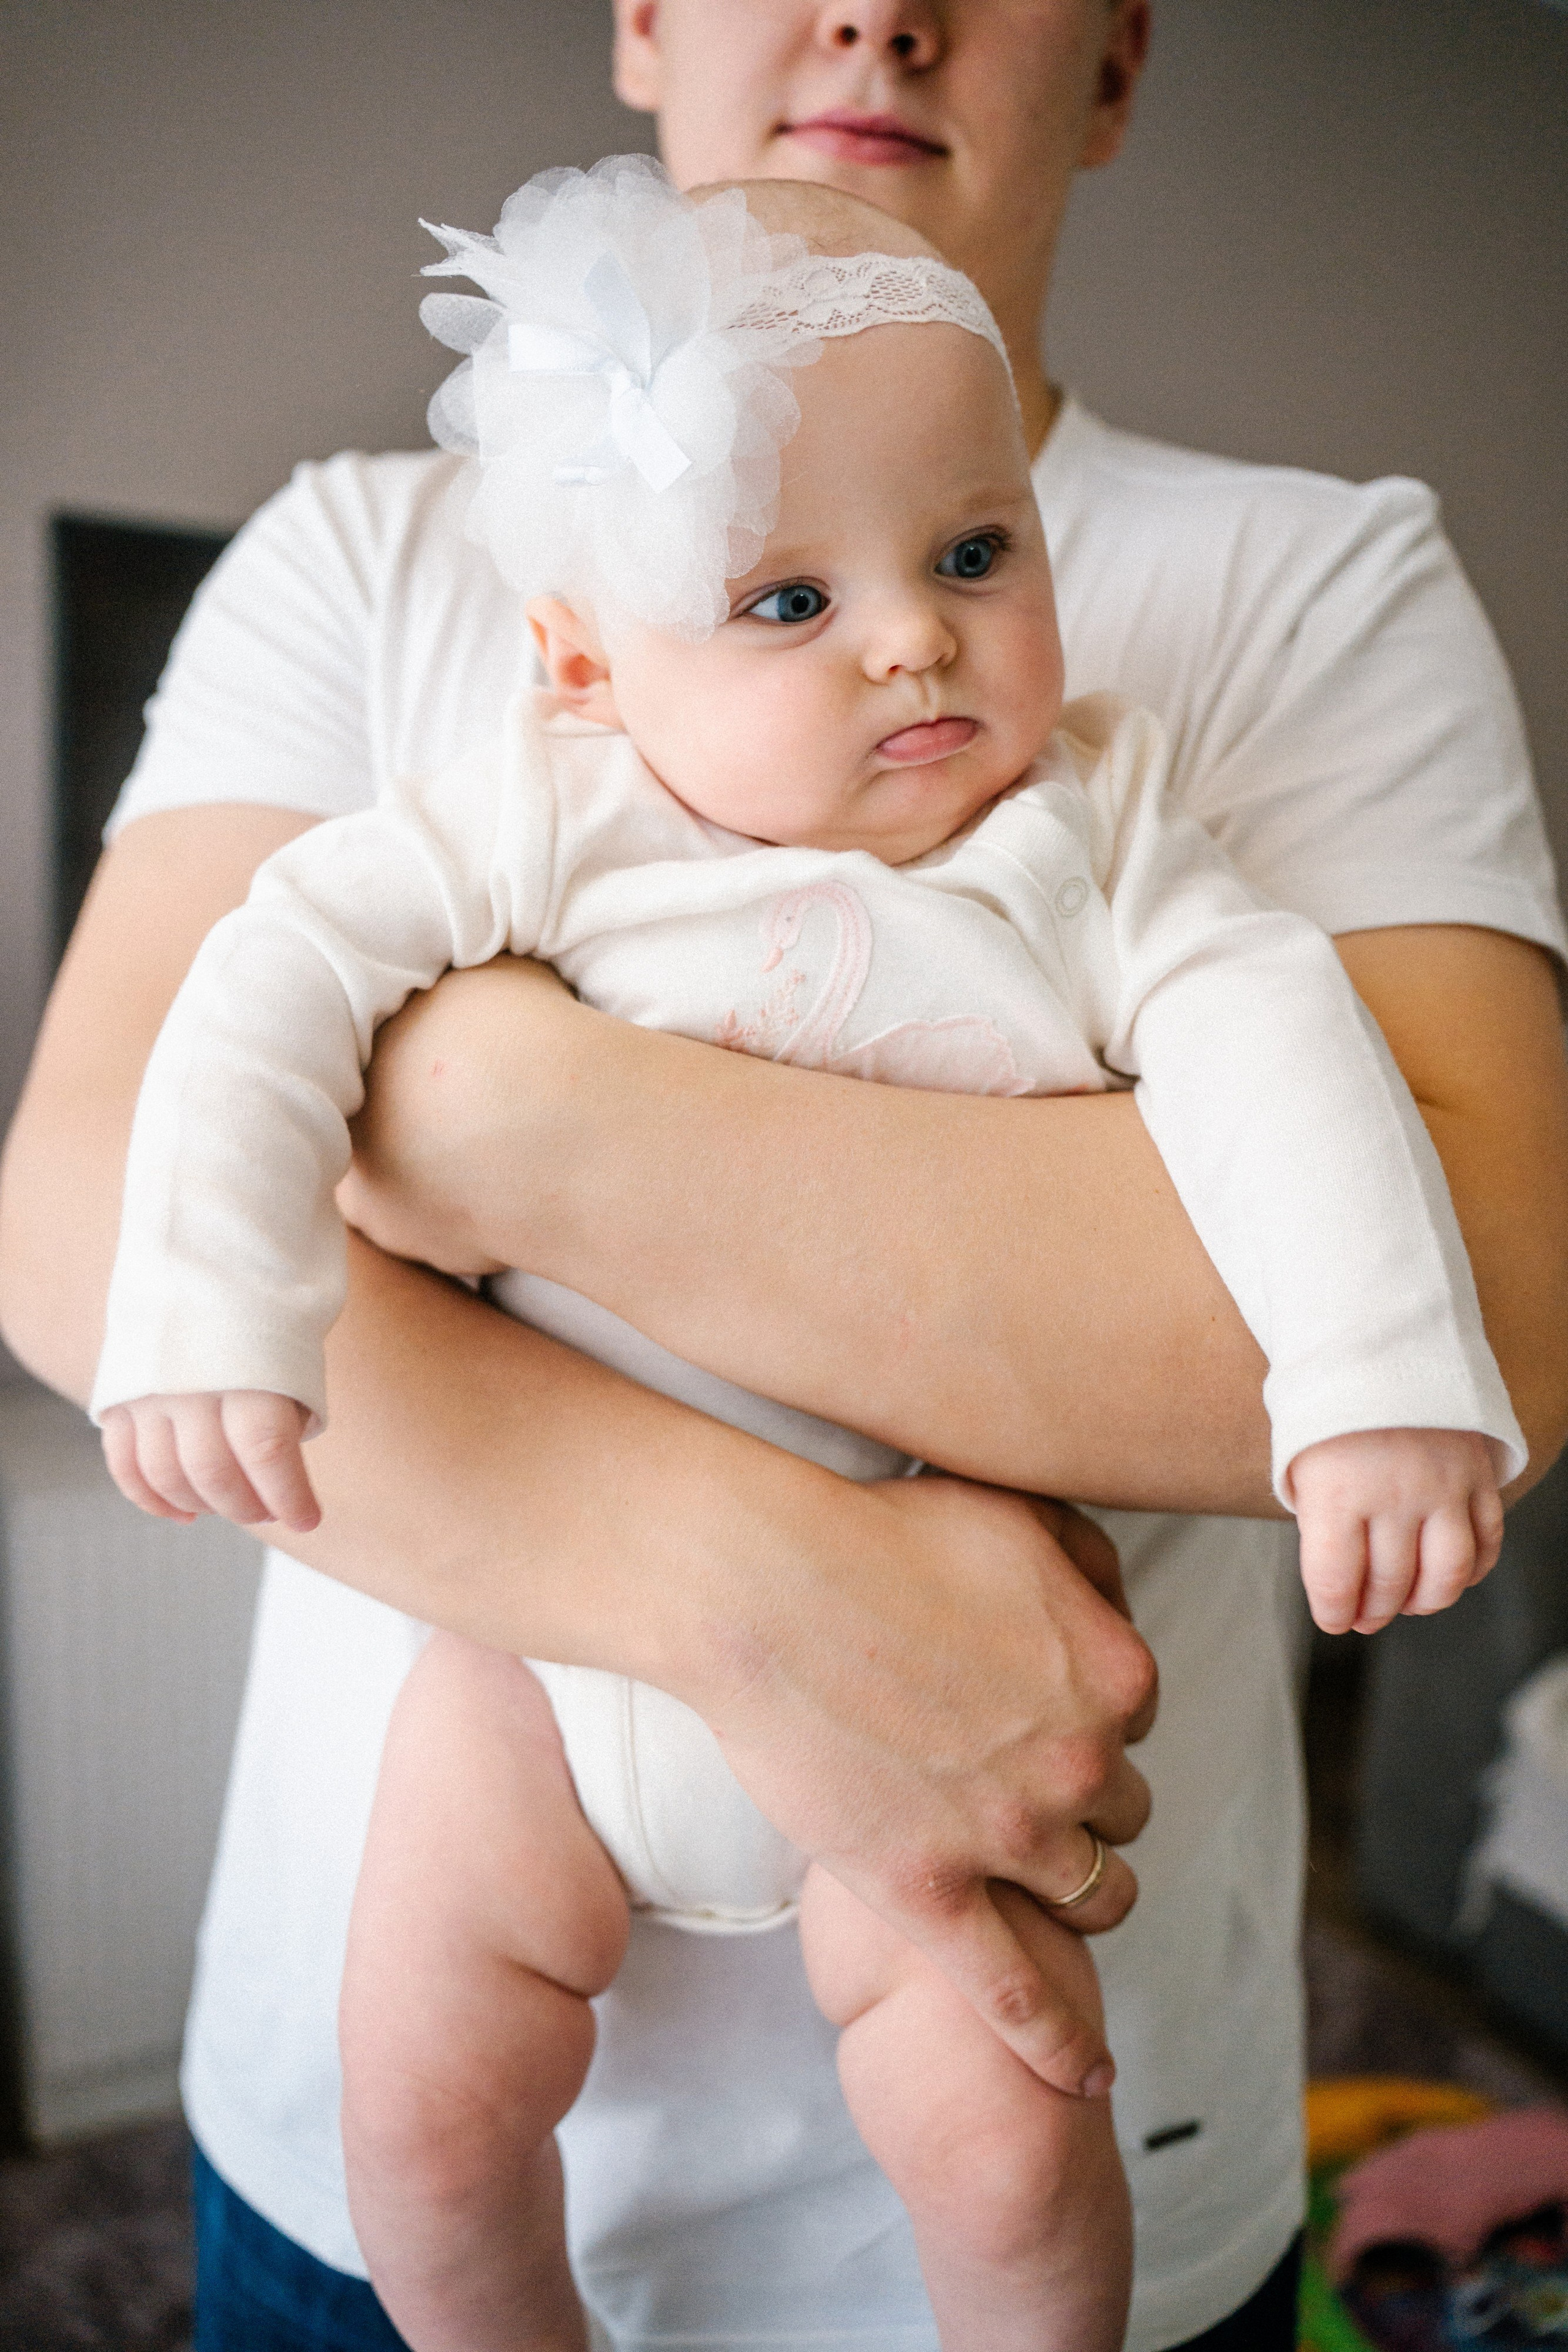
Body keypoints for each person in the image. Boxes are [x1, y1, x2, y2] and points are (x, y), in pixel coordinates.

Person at [2, 5, 1566, 2348]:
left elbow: (1328, 1107)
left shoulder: (1118, 791)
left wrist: (1364, 1369)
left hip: (975, 1780)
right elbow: (212, 1047)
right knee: (429, 2090)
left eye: (972, 556)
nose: (918, 641)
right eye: (788, 603)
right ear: (587, 668)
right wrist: (227, 1310)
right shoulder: (519, 769)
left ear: (1123, 62)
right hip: (526, 1700)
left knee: (1007, 2120)